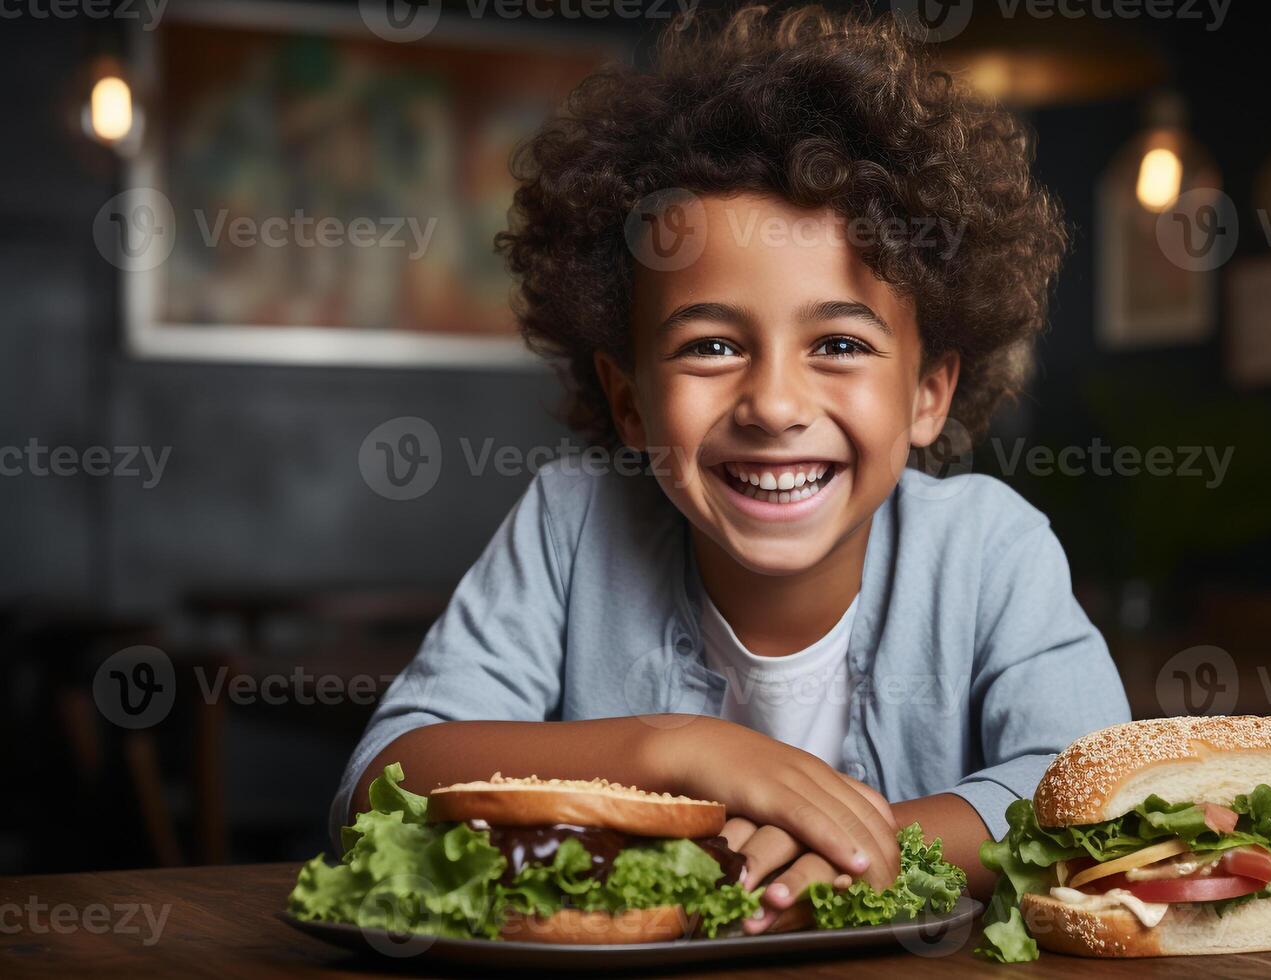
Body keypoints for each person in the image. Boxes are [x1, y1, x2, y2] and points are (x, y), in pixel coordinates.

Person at [331, 3, 1129, 933]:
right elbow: (381, 785)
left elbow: (1093, 792)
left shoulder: (991, 550)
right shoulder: (571, 523)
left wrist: (860, 844)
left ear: (928, 394)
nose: (775, 405)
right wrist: (670, 749)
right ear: (629, 401)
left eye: (837, 341)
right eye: (710, 347)